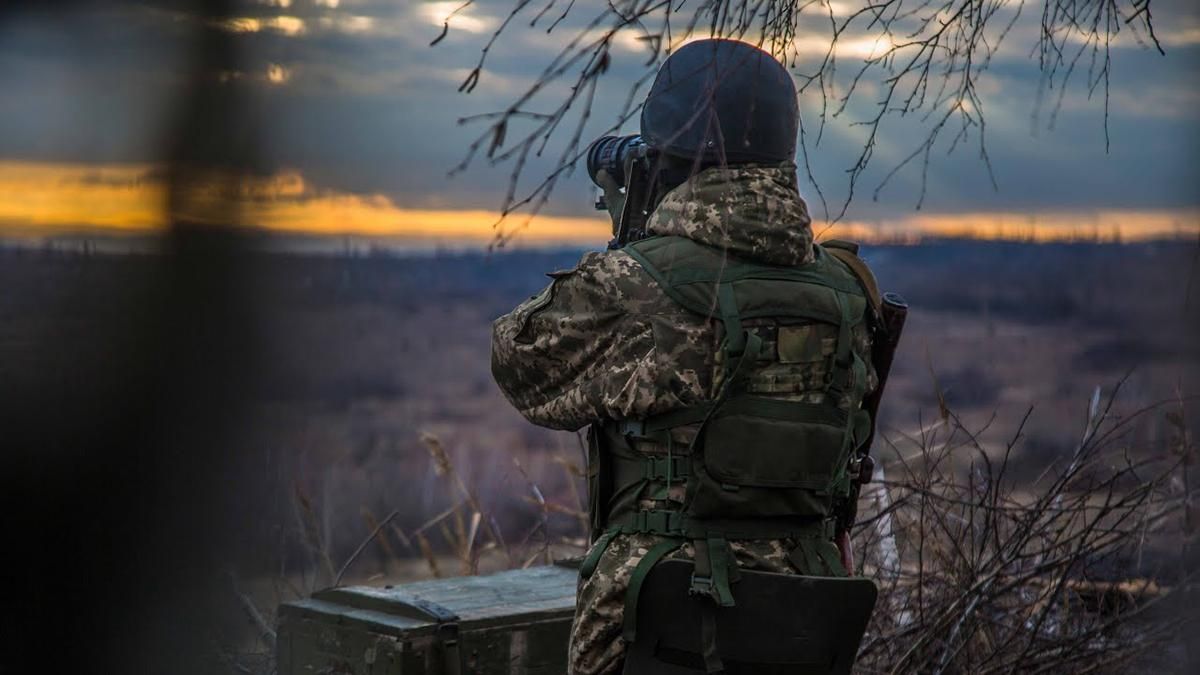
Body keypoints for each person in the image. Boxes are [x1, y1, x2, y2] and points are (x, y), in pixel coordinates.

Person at [491, 38, 881, 675]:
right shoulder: (848, 293)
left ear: (671, 156)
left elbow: (520, 363)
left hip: (661, 614)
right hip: (805, 609)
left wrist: (630, 241)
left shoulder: (636, 286)